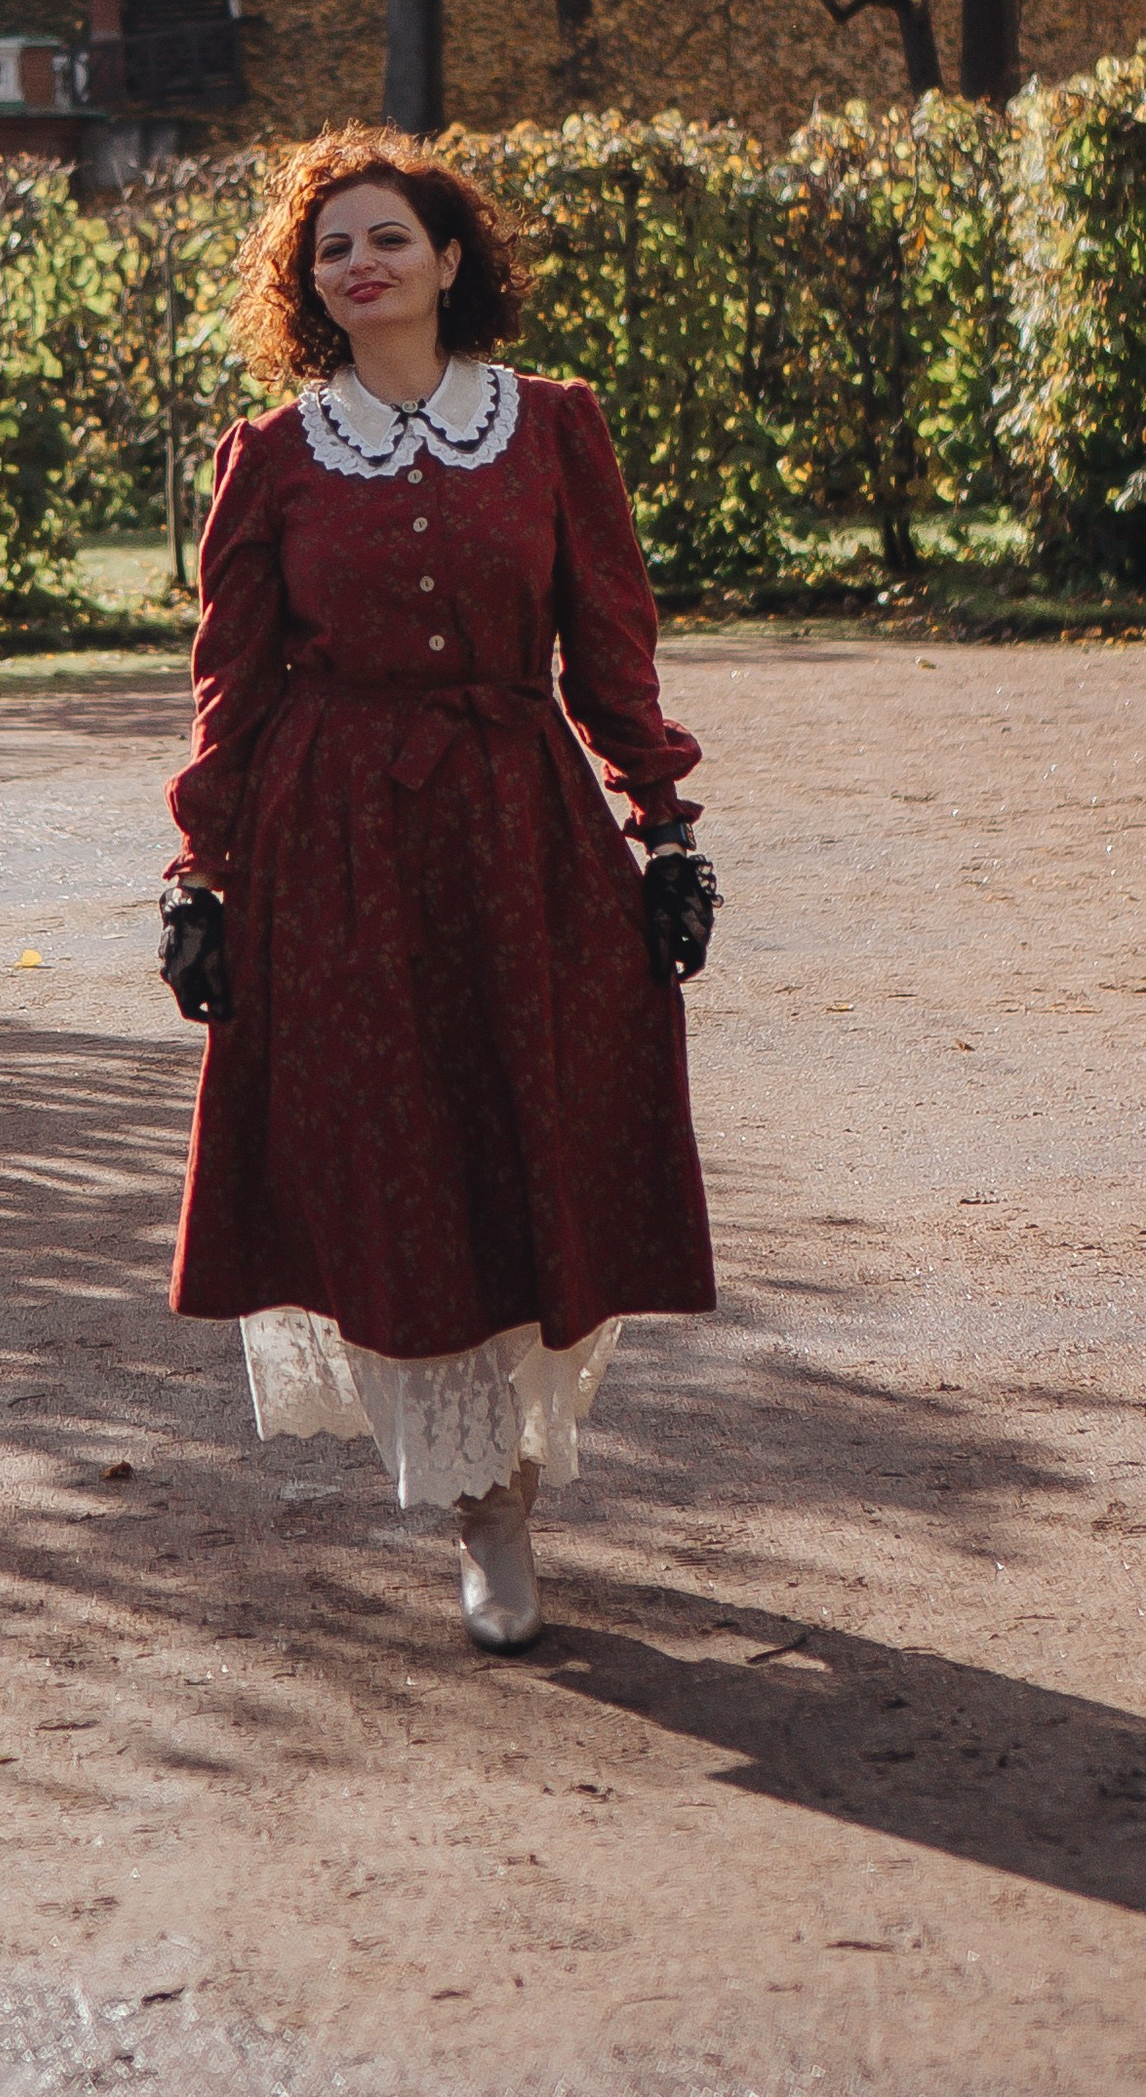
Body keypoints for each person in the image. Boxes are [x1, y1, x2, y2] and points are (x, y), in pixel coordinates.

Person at [156, 127, 720, 1655]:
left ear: (450, 260)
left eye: (387, 237)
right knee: (393, 1155)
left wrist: (664, 825)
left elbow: (611, 644)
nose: (361, 263)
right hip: (336, 843)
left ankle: (519, 1466)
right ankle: (486, 1511)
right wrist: (199, 870)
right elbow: (234, 689)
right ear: (312, 287)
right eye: (331, 247)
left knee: (535, 1132)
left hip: (517, 826)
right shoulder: (271, 459)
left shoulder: (550, 430)